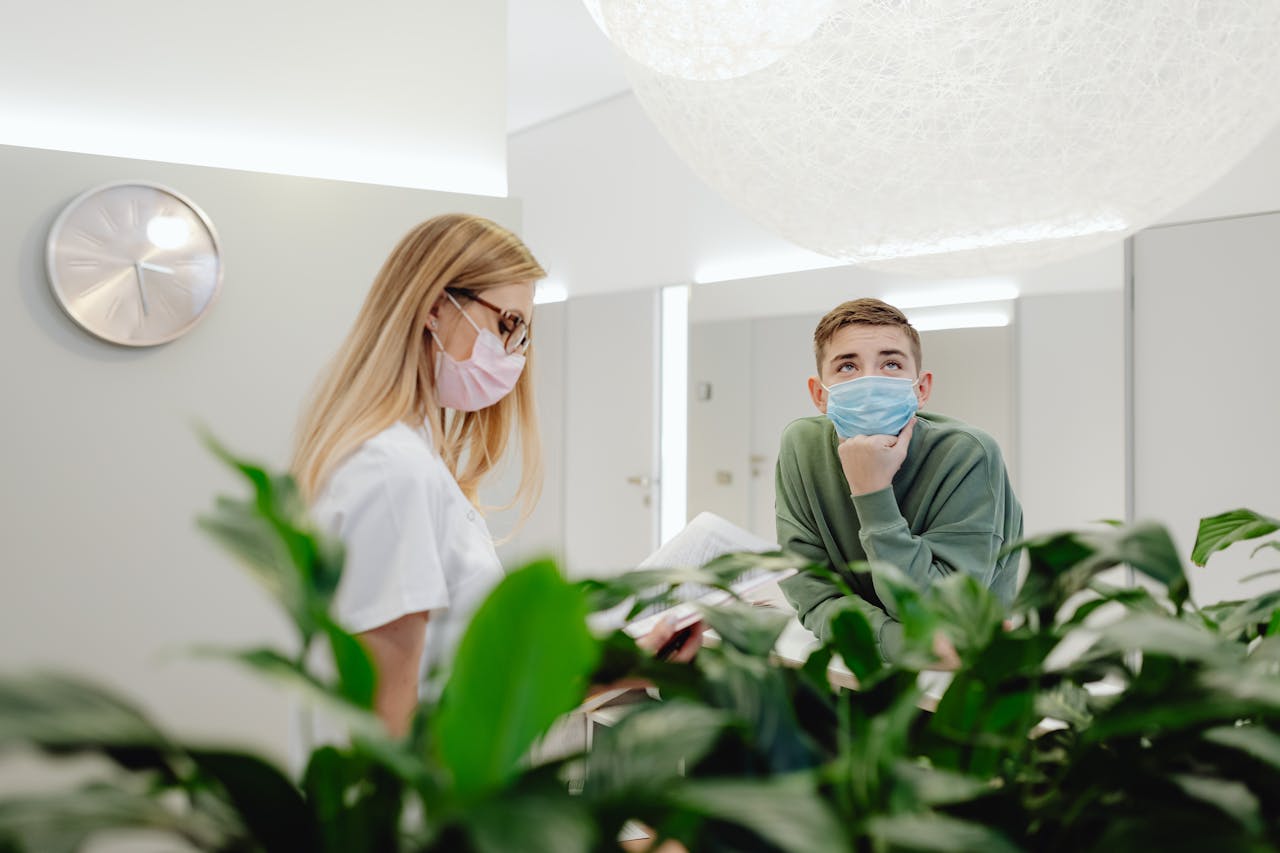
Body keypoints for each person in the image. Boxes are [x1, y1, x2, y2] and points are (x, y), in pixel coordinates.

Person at [291, 213, 699, 739]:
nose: (514, 354)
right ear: (435, 307)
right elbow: (389, 719)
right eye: (507, 324)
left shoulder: (412, 462)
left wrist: (621, 669)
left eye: (523, 333)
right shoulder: (394, 472)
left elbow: (468, 691)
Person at [776, 298, 1022, 666]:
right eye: (847, 366)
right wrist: (904, 643)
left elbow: (943, 614)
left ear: (921, 388)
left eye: (891, 363)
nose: (870, 381)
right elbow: (811, 593)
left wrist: (871, 493)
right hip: (861, 674)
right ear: (819, 395)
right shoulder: (801, 446)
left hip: (961, 684)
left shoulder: (969, 454)